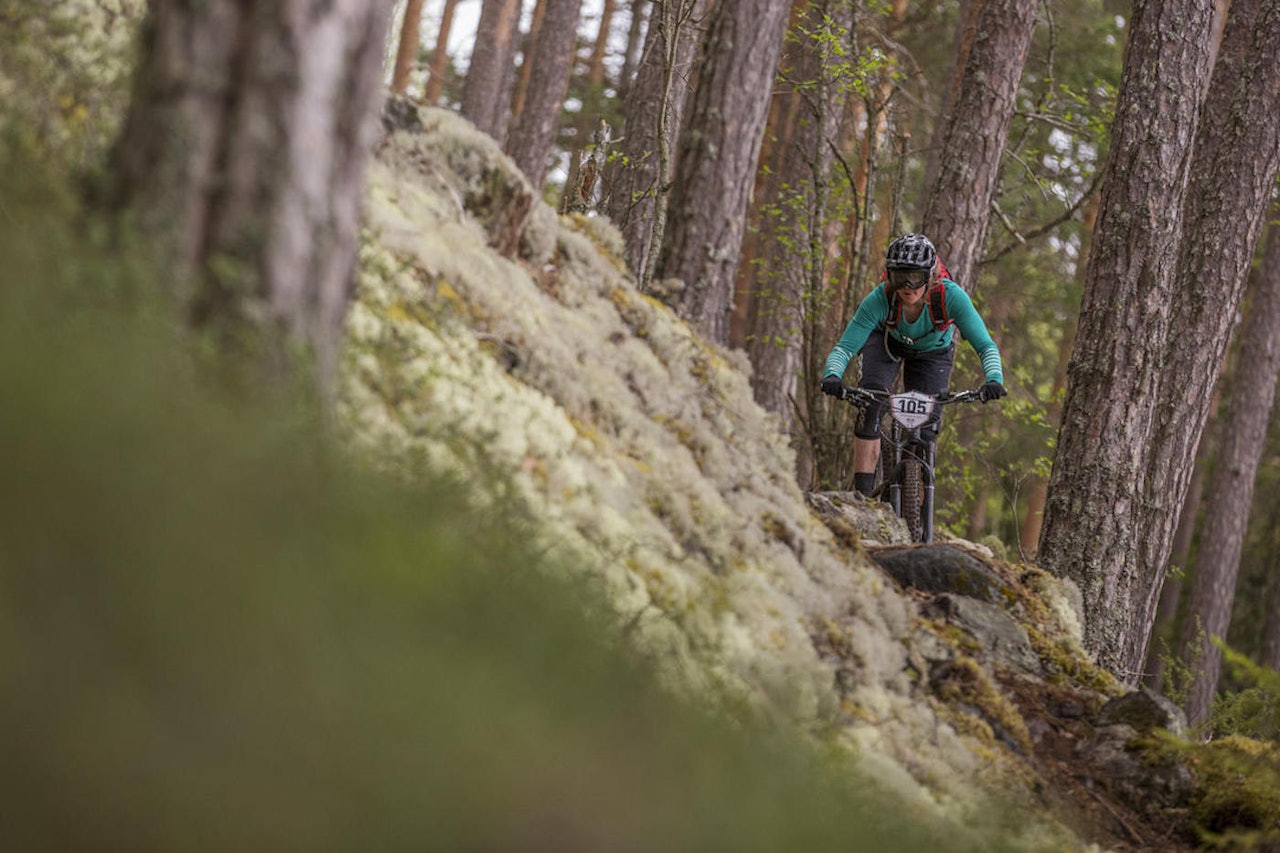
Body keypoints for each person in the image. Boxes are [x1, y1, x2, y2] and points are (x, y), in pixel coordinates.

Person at [820, 233, 1005, 498]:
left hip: (932, 354)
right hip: (886, 343)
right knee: (870, 402)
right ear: (889, 276)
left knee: (926, 427)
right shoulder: (880, 299)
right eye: (900, 277)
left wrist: (994, 379)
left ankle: (913, 499)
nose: (908, 286)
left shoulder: (951, 297)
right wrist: (833, 375)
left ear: (930, 276)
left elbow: (985, 345)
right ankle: (862, 496)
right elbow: (845, 347)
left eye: (916, 277)